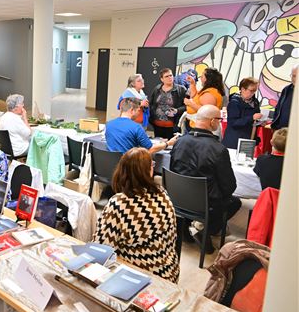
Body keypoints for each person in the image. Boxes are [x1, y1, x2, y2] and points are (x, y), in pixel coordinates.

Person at [92, 148, 179, 283]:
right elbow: (172, 238)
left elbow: (101, 248)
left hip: (138, 278)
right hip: (168, 272)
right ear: (149, 171)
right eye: (152, 165)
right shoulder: (162, 194)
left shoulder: (119, 204)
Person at [169, 105, 241, 253]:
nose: (219, 123)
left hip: (178, 198)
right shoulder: (218, 150)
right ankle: (203, 229)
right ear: (213, 121)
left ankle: (189, 228)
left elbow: (173, 169)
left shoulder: (179, 142)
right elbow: (229, 186)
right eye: (219, 119)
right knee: (235, 202)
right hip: (205, 203)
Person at [105, 97, 177, 154]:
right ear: (132, 110)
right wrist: (168, 143)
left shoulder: (109, 124)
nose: (139, 113)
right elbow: (150, 149)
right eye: (138, 110)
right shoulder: (136, 127)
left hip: (111, 167)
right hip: (128, 167)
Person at [222, 77, 261, 149]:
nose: (253, 93)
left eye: (255, 91)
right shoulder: (234, 102)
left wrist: (260, 122)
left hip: (249, 139)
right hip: (234, 139)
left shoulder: (255, 102)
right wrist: (251, 118)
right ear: (243, 89)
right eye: (251, 90)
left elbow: (255, 120)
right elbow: (233, 123)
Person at [148, 68, 187, 139]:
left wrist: (177, 110)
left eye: (171, 75)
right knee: (159, 145)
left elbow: (187, 106)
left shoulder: (181, 90)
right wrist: (152, 118)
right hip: (157, 125)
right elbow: (152, 104)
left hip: (173, 126)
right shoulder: (157, 89)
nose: (170, 78)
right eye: (167, 76)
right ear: (162, 79)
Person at [271, 64, 297, 130]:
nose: (294, 79)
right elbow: (278, 108)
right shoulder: (287, 89)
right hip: (281, 130)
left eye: (296, 76)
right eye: (293, 76)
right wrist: (274, 123)